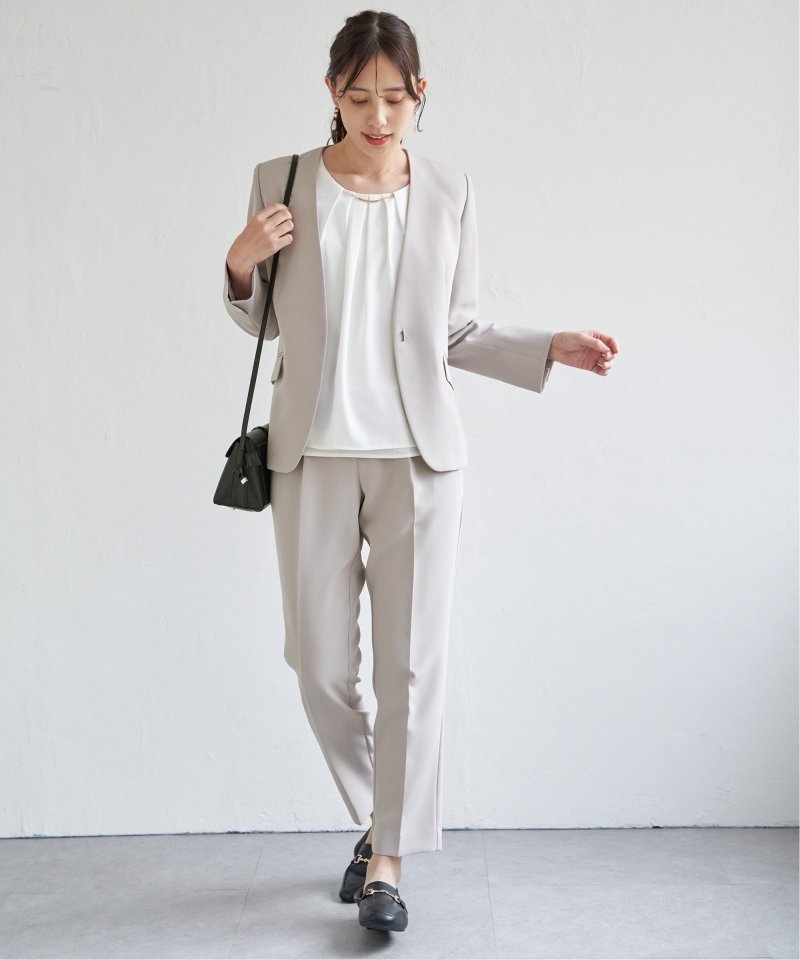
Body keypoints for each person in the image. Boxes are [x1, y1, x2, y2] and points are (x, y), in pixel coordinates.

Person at [223, 9, 619, 935]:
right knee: (318, 667)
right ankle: (383, 817)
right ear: (332, 92)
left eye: (395, 99)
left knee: (410, 667)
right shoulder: (282, 180)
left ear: (419, 95)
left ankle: (388, 862)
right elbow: (262, 320)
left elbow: (456, 328)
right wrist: (239, 265)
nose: (377, 116)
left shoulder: (448, 190)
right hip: (311, 454)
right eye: (359, 97)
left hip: (419, 461)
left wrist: (548, 345)